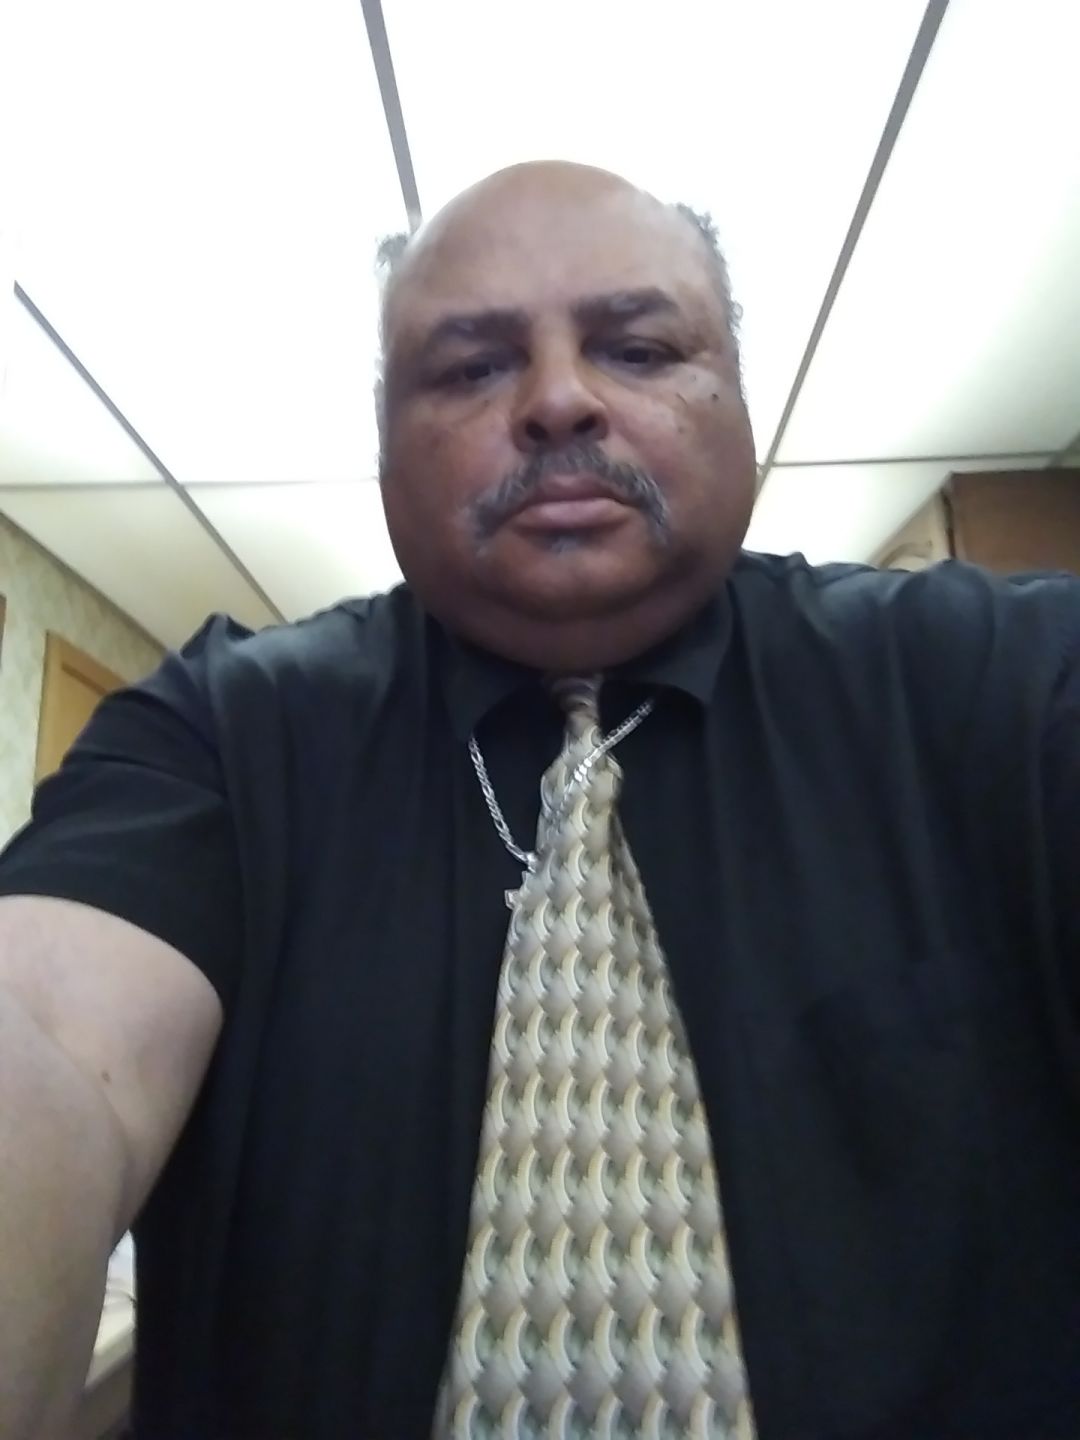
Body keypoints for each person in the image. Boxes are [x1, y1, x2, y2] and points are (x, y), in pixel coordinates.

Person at [0, 160, 1078, 1440]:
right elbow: (50, 1039)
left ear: (739, 395)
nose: (561, 399)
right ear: (383, 439)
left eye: (638, 348)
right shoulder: (219, 732)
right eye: (470, 367)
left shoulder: (997, 681)